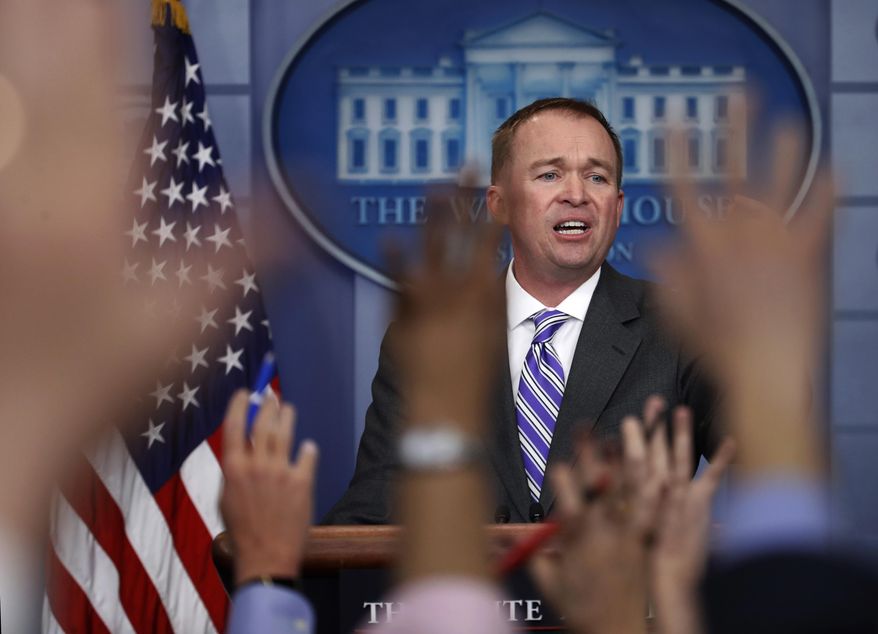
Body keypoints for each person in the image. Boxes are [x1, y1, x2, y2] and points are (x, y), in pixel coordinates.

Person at [326, 97, 721, 524]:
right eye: (550, 174)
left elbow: (760, 461)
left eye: (597, 177)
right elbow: (373, 508)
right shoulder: (434, 337)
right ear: (499, 204)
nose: (577, 195)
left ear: (618, 206)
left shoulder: (681, 324)